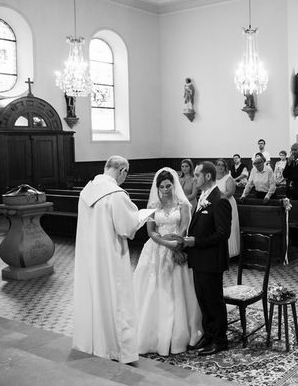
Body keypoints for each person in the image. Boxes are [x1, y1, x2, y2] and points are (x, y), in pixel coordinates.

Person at [73, 156, 150, 364]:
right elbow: (126, 227)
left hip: (89, 254)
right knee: (116, 298)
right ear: (122, 171)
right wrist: (143, 215)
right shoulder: (115, 194)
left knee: (94, 295)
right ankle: (117, 350)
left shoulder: (87, 190)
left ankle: (94, 344)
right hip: (110, 256)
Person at [133, 168, 202, 356]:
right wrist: (167, 244)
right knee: (154, 290)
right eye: (162, 186)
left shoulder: (183, 205)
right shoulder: (153, 206)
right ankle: (153, 334)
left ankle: (181, 334)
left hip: (179, 246)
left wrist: (177, 247)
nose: (165, 189)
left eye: (168, 186)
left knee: (179, 291)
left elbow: (185, 227)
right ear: (157, 187)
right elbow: (151, 232)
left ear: (174, 185)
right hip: (156, 249)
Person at [183, 162, 232, 356]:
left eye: (197, 175)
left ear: (208, 177)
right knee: (203, 300)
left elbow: (222, 233)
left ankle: (220, 340)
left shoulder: (219, 200)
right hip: (199, 259)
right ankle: (209, 334)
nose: (194, 178)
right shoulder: (203, 197)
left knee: (214, 301)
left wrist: (197, 241)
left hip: (211, 260)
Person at [214, 159, 240, 258]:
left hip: (227, 204)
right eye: (218, 165)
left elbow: (230, 192)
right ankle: (219, 251)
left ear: (225, 167)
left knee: (228, 226)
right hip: (216, 205)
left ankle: (230, 252)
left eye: (222, 165)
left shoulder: (228, 178)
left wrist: (216, 198)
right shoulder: (213, 178)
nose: (220, 167)